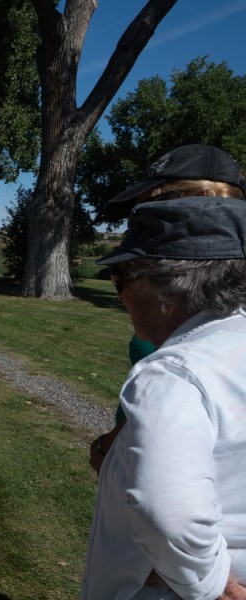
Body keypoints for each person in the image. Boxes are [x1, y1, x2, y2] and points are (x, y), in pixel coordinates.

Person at [83, 196, 246, 599]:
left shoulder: (172, 373)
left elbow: (167, 513)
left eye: (120, 279)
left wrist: (217, 587)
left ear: (166, 289)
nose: (119, 296)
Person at [89, 144, 246, 472]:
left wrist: (109, 447)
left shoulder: (174, 368)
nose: (144, 211)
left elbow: (171, 518)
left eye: (157, 198)